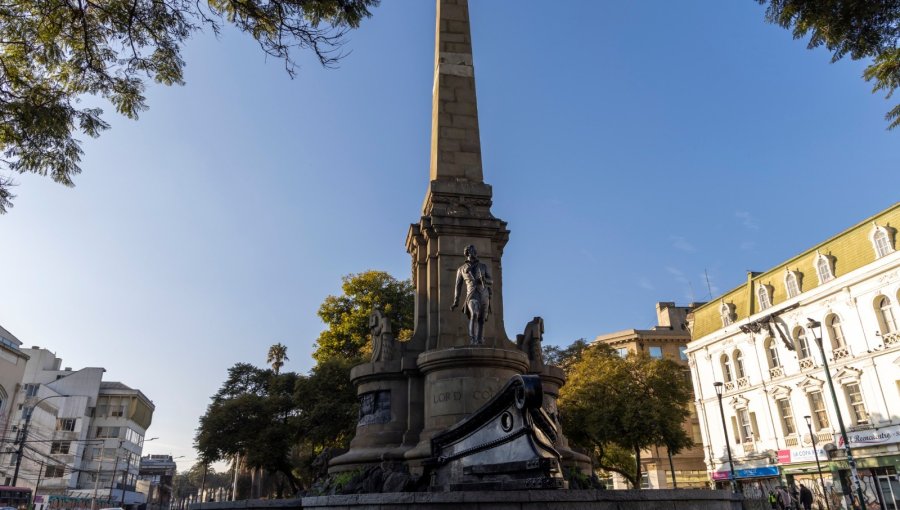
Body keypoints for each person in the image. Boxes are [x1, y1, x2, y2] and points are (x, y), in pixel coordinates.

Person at [451, 244, 492, 344]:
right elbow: (458, 286)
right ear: (468, 252)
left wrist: (485, 280)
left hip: (484, 294)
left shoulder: (483, 266)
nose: (475, 253)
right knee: (474, 314)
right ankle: (473, 339)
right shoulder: (461, 269)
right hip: (471, 295)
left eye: (475, 251)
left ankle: (480, 340)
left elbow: (491, 281)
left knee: (482, 319)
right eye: (473, 251)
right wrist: (456, 301)